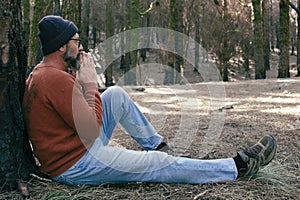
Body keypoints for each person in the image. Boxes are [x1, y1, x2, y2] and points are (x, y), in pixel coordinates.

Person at [22, 15, 277, 186]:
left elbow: (76, 116)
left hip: (75, 149)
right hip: (75, 164)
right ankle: (236, 167)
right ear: (60, 46)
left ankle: (157, 146)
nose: (80, 47)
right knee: (157, 166)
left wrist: (85, 83)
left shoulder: (44, 73)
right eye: (76, 42)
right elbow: (92, 128)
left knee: (116, 95)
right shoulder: (55, 80)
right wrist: (89, 82)